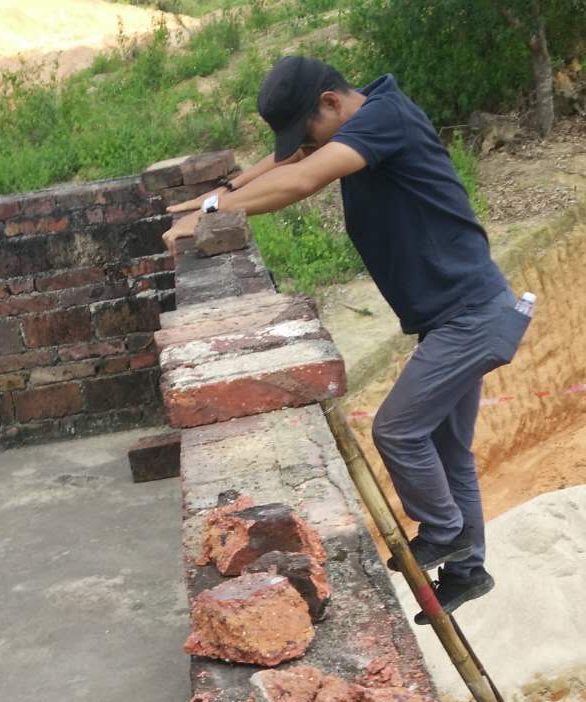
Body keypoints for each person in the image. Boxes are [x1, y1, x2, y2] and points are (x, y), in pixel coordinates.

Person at [162, 56, 530, 617]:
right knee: (447, 448)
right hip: (459, 315)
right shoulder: (361, 119)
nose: (305, 148)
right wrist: (220, 193)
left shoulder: (386, 118)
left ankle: (445, 531)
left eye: (308, 132)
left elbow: (302, 177)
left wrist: (212, 215)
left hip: (472, 317)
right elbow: (293, 159)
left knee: (398, 430)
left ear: (331, 102)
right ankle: (467, 569)